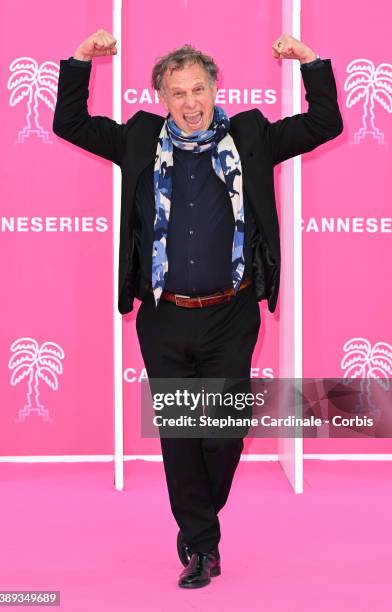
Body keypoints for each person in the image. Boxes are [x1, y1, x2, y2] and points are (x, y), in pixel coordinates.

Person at [53, 29, 343, 589]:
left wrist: (309, 61)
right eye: (178, 92)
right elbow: (70, 124)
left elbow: (323, 124)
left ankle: (199, 518)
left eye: (199, 89)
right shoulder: (138, 138)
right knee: (181, 435)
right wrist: (81, 60)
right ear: (162, 96)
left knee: (223, 433)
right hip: (164, 316)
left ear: (214, 89)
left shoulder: (252, 136)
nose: (190, 103)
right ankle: (202, 546)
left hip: (231, 315)